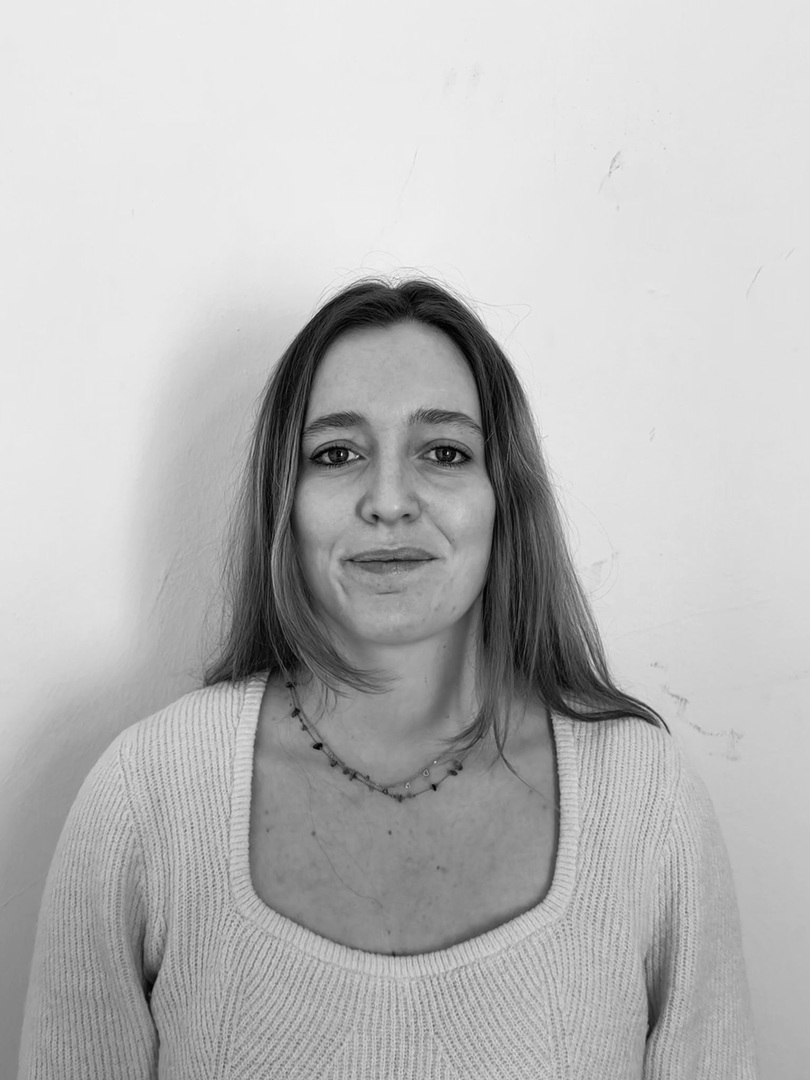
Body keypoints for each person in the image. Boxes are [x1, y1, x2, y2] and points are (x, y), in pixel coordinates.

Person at [18, 276, 759, 1079]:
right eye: (337, 454)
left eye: (444, 452)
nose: (390, 500)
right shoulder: (147, 798)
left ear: (504, 497)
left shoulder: (645, 806)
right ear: (284, 502)